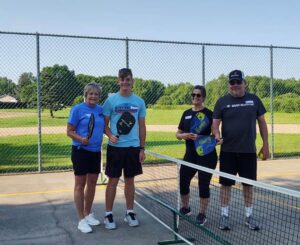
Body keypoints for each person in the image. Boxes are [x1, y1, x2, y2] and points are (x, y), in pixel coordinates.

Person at [212, 70, 269, 231]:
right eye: (232, 83)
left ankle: (249, 216)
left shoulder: (254, 100)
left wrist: (266, 144)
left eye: (238, 82)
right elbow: (215, 124)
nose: (235, 85)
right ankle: (224, 216)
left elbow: (262, 123)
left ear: (244, 83)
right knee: (225, 185)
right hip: (228, 151)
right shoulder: (222, 101)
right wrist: (217, 135)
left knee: (248, 185)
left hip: (248, 151)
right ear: (229, 85)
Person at [102, 68, 146, 230]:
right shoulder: (111, 101)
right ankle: (108, 214)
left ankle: (130, 212)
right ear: (118, 81)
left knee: (130, 181)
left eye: (128, 79)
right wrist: (109, 135)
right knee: (112, 181)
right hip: (115, 147)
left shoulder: (139, 102)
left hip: (133, 147)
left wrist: (142, 148)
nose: (125, 82)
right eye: (122, 79)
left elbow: (142, 126)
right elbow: (104, 125)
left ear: (132, 81)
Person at [176, 85, 218, 226]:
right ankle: (186, 208)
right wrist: (184, 135)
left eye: (198, 95)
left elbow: (215, 135)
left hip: (206, 155)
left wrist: (200, 137)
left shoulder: (209, 114)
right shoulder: (186, 113)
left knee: (203, 184)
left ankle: (202, 214)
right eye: (193, 95)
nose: (195, 97)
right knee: (183, 181)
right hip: (190, 155)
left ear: (203, 97)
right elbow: (177, 134)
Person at [67, 82, 105, 233]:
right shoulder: (77, 109)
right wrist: (81, 139)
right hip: (80, 150)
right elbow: (69, 131)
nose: (93, 96)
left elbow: (105, 127)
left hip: (95, 152)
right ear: (86, 94)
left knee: (92, 183)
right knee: (80, 184)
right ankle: (81, 219)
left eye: (96, 94)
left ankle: (88, 213)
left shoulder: (100, 110)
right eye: (91, 93)